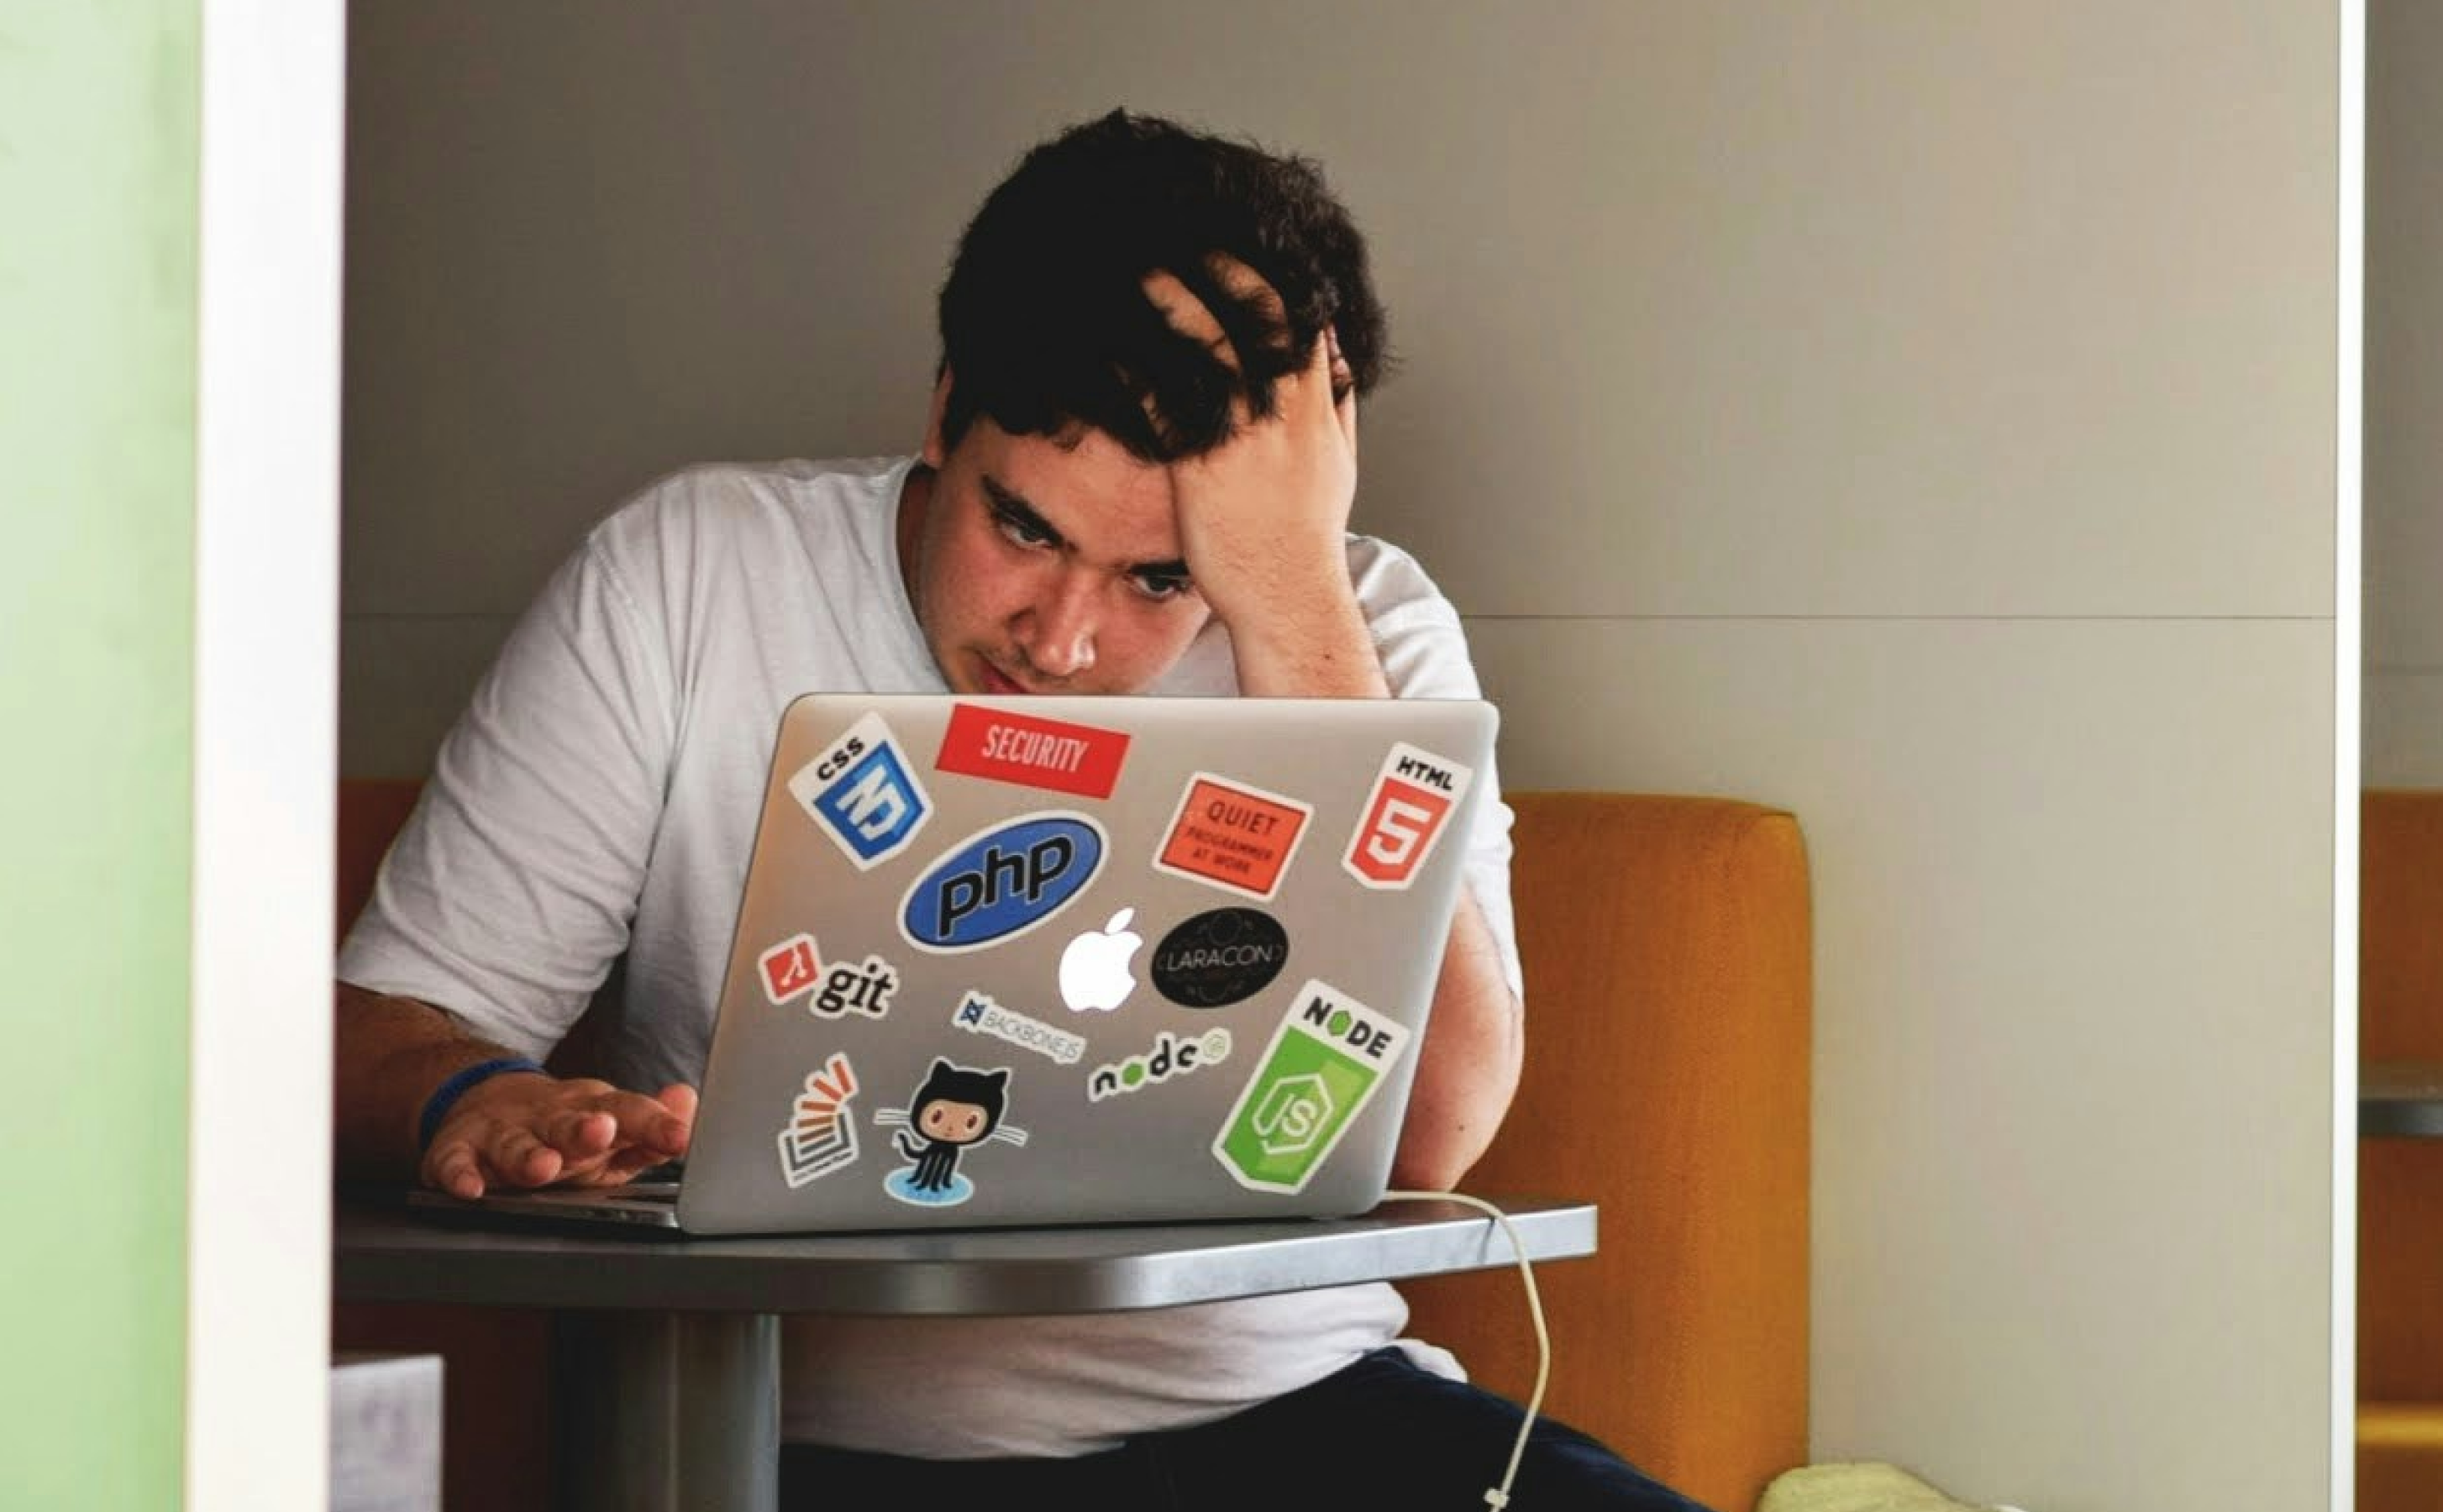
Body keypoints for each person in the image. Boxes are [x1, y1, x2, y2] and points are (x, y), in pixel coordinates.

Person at [330, 108, 1706, 1509]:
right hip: (788, 1450)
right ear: (942, 410)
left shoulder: (1364, 627)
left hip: (1293, 1416)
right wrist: (479, 1097)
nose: (1058, 641)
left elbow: (1435, 1137)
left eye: (1161, 580)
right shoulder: (690, 575)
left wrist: (1290, 592)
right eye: (1025, 528)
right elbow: (373, 1028)